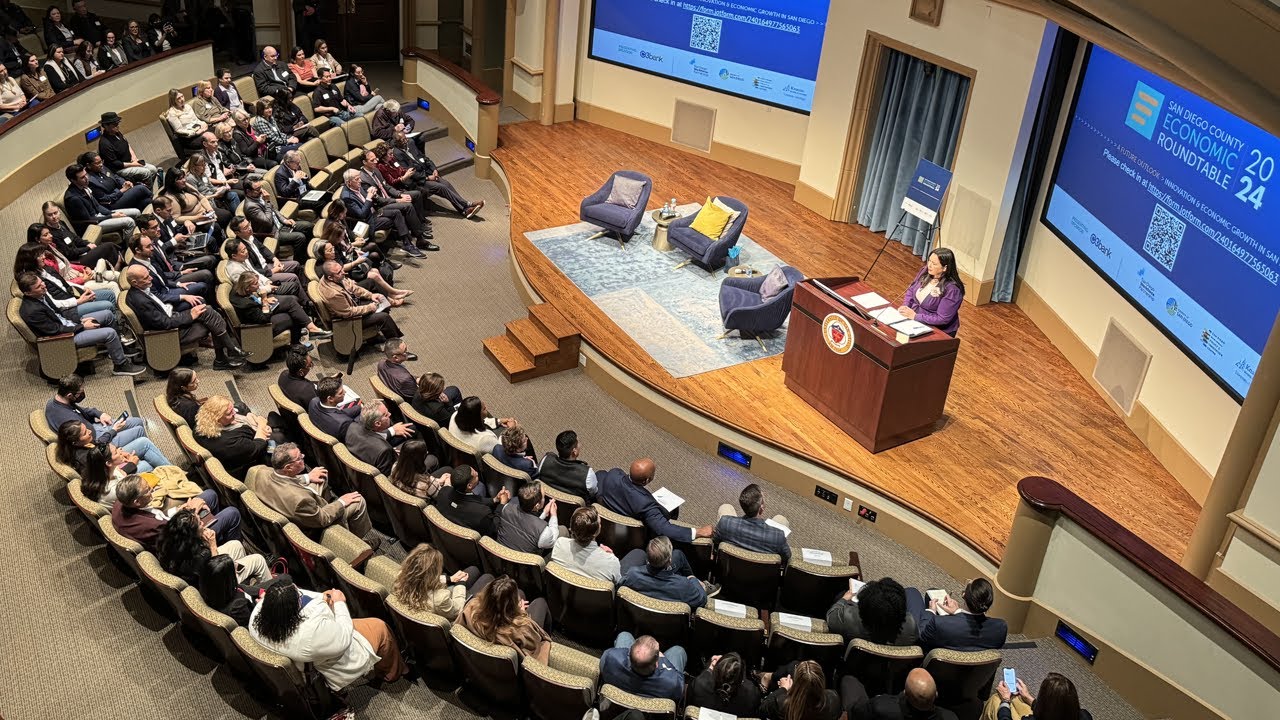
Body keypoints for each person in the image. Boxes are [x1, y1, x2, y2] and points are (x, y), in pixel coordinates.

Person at [250, 582, 407, 690]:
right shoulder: (311, 635)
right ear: (291, 612)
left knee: (325, 596)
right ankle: (392, 673)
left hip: (304, 656)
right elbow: (344, 636)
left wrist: (322, 598)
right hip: (329, 663)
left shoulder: (256, 616)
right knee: (380, 627)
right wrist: (339, 603)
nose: (301, 596)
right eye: (299, 598)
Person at [123, 264, 248, 370]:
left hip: (172, 317)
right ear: (134, 282)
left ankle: (226, 355)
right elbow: (164, 323)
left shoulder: (141, 290)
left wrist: (188, 313)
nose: (151, 278)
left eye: (149, 274)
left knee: (207, 311)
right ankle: (225, 355)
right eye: (146, 277)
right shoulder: (140, 301)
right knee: (211, 316)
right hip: (167, 334)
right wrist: (189, 314)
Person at [18, 273, 144, 375]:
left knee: (107, 314)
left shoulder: (41, 295)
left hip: (70, 324)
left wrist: (78, 321)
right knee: (109, 333)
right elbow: (55, 330)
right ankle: (120, 365)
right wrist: (82, 326)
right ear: (28, 293)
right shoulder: (32, 311)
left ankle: (118, 350)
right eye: (39, 286)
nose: (44, 286)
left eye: (42, 282)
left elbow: (58, 314)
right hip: (64, 338)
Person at [250, 443, 375, 541]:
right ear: (288, 467)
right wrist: (341, 502)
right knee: (358, 501)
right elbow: (322, 519)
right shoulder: (301, 501)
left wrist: (307, 477)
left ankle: (327, 503)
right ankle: (357, 542)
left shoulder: (261, 471)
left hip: (287, 500)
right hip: (312, 525)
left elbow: (283, 480)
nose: (303, 457)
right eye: (299, 458)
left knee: (320, 476)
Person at [111, 474, 241, 550]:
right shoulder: (152, 526)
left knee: (209, 494)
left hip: (171, 526)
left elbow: (161, 516)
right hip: (186, 542)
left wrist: (181, 508)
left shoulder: (119, 502)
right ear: (137, 501)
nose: (152, 488)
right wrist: (191, 511)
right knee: (232, 513)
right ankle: (228, 549)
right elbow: (183, 533)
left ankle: (218, 536)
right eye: (147, 490)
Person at [597, 458, 713, 542]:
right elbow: (664, 529)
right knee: (672, 510)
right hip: (631, 534)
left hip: (613, 511)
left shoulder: (613, 474)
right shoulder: (645, 504)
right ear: (646, 481)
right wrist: (698, 531)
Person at [156, 507, 270, 586]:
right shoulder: (201, 555)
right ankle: (270, 593)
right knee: (258, 560)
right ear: (192, 534)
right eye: (200, 523)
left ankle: (242, 584)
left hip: (196, 574)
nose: (202, 523)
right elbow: (216, 573)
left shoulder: (170, 541)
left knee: (236, 545)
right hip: (214, 585)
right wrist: (212, 544)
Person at [390, 129, 484, 218]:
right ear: (397, 142)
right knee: (441, 187)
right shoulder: (397, 153)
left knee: (446, 183)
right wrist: (427, 178)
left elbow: (424, 157)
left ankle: (464, 211)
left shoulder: (410, 143)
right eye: (402, 140)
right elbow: (410, 173)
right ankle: (468, 204)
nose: (405, 141)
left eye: (405, 138)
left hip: (427, 172)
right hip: (418, 180)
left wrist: (434, 169)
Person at [458, 575, 551, 661]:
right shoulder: (523, 630)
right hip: (512, 666)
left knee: (520, 592)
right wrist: (522, 613)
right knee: (540, 602)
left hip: (476, 655)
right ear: (512, 607)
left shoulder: (469, 610)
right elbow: (535, 642)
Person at [14, 238, 116, 314]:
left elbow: (64, 282)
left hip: (72, 293)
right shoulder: (34, 280)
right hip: (68, 308)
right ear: (30, 259)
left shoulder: (44, 268)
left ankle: (119, 323)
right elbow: (52, 304)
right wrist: (79, 301)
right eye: (39, 255)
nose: (43, 257)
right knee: (108, 304)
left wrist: (83, 288)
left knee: (109, 294)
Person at [46, 373, 150, 448]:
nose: (83, 394)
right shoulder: (67, 420)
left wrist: (100, 414)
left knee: (138, 421)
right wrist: (113, 430)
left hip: (94, 428)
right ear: (69, 395)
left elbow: (82, 411)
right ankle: (143, 450)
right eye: (80, 392)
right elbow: (93, 442)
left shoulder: (56, 401)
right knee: (139, 430)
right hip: (98, 438)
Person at [392, 544, 492, 622]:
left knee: (473, 570)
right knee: (487, 578)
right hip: (453, 614)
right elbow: (458, 610)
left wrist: (450, 579)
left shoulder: (401, 575)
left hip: (427, 602)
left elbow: (421, 579)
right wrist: (461, 583)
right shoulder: (440, 598)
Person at [340, 168, 424, 258]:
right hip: (367, 221)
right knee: (393, 219)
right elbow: (362, 214)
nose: (360, 181)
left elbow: (372, 200)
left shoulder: (356, 186)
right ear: (349, 182)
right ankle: (407, 242)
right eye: (357, 179)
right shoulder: (346, 197)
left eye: (359, 178)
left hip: (374, 211)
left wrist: (373, 194)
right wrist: (369, 197)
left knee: (397, 212)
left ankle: (407, 243)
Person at [359, 148, 435, 246]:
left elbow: (387, 186)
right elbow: (377, 199)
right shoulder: (363, 179)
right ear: (364, 162)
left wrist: (400, 194)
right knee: (407, 205)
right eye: (372, 160)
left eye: (376, 159)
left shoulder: (375, 170)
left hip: (388, 197)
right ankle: (420, 238)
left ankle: (419, 224)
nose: (376, 161)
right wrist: (398, 200)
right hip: (381, 206)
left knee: (416, 194)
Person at [316, 260, 406, 341]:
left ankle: (376, 335)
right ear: (330, 278)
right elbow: (348, 312)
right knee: (384, 317)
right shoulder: (333, 294)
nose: (343, 272)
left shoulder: (335, 277)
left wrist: (371, 295)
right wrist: (369, 307)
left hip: (350, 304)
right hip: (345, 322)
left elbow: (353, 288)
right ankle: (396, 347)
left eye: (342, 269)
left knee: (380, 300)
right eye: (339, 272)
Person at [231, 271, 327, 347]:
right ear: (247, 288)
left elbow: (253, 300)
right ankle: (296, 344)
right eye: (256, 284)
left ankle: (311, 329)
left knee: (292, 300)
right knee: (293, 315)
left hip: (258, 312)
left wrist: (263, 300)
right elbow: (264, 318)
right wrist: (264, 300)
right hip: (259, 327)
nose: (259, 286)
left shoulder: (239, 289)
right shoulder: (246, 305)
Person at [911, 578, 1008, 652]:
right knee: (932, 591)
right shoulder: (1000, 628)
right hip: (974, 674)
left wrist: (931, 611)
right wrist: (957, 612)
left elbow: (921, 637)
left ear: (964, 595)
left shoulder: (939, 623)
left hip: (934, 669)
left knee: (912, 592)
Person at [619, 536, 714, 608]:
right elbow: (702, 599)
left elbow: (620, 585)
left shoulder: (633, 575)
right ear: (669, 561)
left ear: (647, 559)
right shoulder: (683, 584)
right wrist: (693, 579)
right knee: (679, 555)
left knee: (678, 554)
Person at [317, 223, 407, 299]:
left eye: (332, 249)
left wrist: (354, 252)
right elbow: (340, 269)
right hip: (346, 277)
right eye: (341, 237)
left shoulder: (334, 245)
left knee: (375, 270)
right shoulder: (326, 261)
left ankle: (391, 293)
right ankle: (392, 294)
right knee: (374, 274)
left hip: (347, 271)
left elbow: (343, 259)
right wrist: (356, 262)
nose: (343, 238)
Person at [56, 418, 170, 476]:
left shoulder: (85, 444)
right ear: (75, 442)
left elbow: (100, 444)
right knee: (147, 464)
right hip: (116, 474)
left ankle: (174, 471)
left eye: (87, 429)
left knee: (143, 442)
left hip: (111, 462)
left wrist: (117, 452)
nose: (90, 432)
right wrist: (131, 464)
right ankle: (176, 476)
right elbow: (106, 479)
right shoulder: (85, 459)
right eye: (85, 433)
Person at [194, 395, 273, 478]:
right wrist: (261, 423)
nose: (234, 413)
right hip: (252, 459)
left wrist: (250, 417)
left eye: (232, 409)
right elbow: (257, 446)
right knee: (276, 436)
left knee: (240, 405)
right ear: (217, 419)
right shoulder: (230, 442)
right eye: (229, 413)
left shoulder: (200, 425)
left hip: (244, 447)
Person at [130, 225, 214, 303]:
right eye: (148, 246)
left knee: (208, 263)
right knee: (203, 285)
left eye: (151, 245)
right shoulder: (138, 270)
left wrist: (178, 284)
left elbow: (162, 278)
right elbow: (155, 296)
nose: (152, 248)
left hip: (169, 284)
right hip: (166, 295)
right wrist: (182, 296)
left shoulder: (146, 257)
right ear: (138, 250)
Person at [224, 223, 306, 302]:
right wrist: (269, 285)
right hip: (262, 290)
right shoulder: (236, 271)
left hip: (264, 278)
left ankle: (304, 291)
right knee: (293, 281)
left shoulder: (242, 256)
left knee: (296, 265)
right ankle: (307, 303)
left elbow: (261, 252)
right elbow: (249, 291)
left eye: (249, 225)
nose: (246, 252)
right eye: (245, 227)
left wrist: (274, 260)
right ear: (234, 256)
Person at [827, 577, 919, 646]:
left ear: (861, 610)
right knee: (912, 591)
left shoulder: (845, 618)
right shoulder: (911, 627)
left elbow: (831, 616)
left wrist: (844, 599)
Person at [599, 632, 686, 704]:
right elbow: (679, 691)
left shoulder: (609, 658)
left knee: (625, 635)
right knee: (678, 651)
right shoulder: (672, 683)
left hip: (619, 693)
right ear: (656, 664)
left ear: (629, 652)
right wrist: (663, 659)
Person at [713, 483, 791, 562]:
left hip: (729, 569)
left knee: (726, 507)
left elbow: (715, 543)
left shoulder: (725, 523)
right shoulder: (778, 536)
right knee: (781, 520)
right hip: (761, 572)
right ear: (761, 508)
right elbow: (787, 558)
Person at [900, 247, 964, 337]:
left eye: (934, 264)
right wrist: (906, 306)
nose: (929, 265)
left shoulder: (952, 290)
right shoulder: (925, 271)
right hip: (915, 321)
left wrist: (916, 317)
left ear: (945, 268)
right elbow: (911, 289)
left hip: (938, 331)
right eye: (929, 261)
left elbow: (942, 318)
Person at [849, 668, 958, 720]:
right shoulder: (951, 717)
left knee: (849, 680)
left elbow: (856, 712)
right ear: (936, 694)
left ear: (905, 693)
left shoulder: (881, 707)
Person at [243, 177, 313, 257]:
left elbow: (274, 209)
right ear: (248, 191)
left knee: (308, 226)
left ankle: (307, 252)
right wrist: (267, 202)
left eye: (261, 187)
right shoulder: (250, 206)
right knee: (300, 237)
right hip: (273, 233)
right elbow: (267, 221)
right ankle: (300, 262)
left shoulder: (258, 195)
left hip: (281, 224)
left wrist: (284, 220)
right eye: (257, 189)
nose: (261, 190)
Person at [63, 163, 138, 237]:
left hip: (100, 215)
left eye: (86, 174)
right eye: (82, 177)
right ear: (73, 180)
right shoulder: (73, 199)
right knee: (129, 222)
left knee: (136, 212)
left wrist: (111, 213)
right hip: (93, 224)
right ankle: (132, 247)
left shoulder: (84, 186)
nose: (87, 178)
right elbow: (89, 219)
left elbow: (98, 206)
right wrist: (111, 216)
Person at [551, 506, 621, 583]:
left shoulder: (559, 544)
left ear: (572, 527)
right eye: (600, 523)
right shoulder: (611, 563)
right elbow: (617, 583)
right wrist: (610, 556)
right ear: (596, 532)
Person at [200, 554, 272, 628]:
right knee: (283, 580)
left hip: (254, 598)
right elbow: (254, 624)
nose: (237, 566)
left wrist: (260, 591)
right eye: (233, 568)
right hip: (261, 612)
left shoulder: (214, 590)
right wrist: (261, 604)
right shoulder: (237, 607)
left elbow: (240, 588)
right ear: (227, 580)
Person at [435, 465, 510, 536]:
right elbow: (494, 528)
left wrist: (495, 499)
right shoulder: (482, 513)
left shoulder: (443, 492)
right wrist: (502, 504)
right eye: (476, 475)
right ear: (469, 485)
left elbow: (472, 498)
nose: (477, 473)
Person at [345, 401, 417, 475]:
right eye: (386, 415)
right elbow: (388, 477)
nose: (390, 414)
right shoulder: (384, 450)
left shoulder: (352, 427)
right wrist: (395, 456)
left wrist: (392, 430)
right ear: (377, 423)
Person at [986, 671, 1091, 720]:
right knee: (1017, 699)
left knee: (996, 700)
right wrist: (1028, 697)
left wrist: (1005, 700)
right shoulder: (1085, 716)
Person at [759, 660, 843, 720]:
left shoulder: (781, 703)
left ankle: (767, 677)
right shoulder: (834, 699)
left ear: (796, 683)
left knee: (793, 664)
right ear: (821, 681)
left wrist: (783, 689)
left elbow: (761, 709)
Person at [689, 652, 762, 717]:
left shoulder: (699, 684)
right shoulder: (752, 695)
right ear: (740, 679)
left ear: (715, 673)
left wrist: (710, 668)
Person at [98, 112, 160, 187]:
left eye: (117, 123)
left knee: (153, 169)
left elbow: (127, 144)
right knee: (146, 172)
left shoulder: (116, 133)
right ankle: (148, 194)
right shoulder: (105, 143)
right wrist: (133, 164)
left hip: (130, 162)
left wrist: (134, 158)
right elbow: (115, 163)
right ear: (105, 126)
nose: (117, 126)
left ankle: (146, 188)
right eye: (114, 124)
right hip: (119, 169)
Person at [497, 481, 560, 554]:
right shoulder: (544, 532)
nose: (544, 499)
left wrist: (544, 513)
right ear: (537, 505)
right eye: (544, 497)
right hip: (523, 563)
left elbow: (528, 524)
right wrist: (553, 515)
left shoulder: (506, 508)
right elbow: (552, 540)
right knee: (563, 530)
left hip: (500, 556)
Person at [80, 151, 152, 213]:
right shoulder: (90, 181)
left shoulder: (102, 168)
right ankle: (159, 201)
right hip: (112, 204)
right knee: (140, 189)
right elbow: (105, 200)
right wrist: (122, 190)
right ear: (88, 166)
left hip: (121, 194)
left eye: (101, 161)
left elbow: (116, 177)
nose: (101, 164)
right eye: (97, 163)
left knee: (146, 201)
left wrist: (125, 182)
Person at [537, 430, 596, 502]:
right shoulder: (587, 474)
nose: (580, 445)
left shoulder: (546, 461)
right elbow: (593, 493)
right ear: (574, 451)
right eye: (578, 443)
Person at [75, 444, 130, 510]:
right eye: (116, 452)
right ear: (109, 463)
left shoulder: (94, 474)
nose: (120, 451)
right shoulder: (114, 491)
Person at [306, 375, 361, 440]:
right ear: (330, 399)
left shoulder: (313, 402)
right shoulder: (343, 423)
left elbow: (339, 414)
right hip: (340, 432)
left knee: (358, 408)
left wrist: (359, 408)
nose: (345, 392)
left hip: (327, 422)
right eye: (340, 393)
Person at [251, 96, 301, 161]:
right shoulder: (260, 121)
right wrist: (287, 141)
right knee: (299, 147)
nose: (270, 110)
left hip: (281, 143)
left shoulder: (270, 117)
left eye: (270, 107)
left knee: (300, 144)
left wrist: (289, 138)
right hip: (274, 149)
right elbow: (272, 138)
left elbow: (278, 133)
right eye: (266, 108)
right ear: (261, 110)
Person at [165, 88, 207, 153]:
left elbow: (196, 120)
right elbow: (179, 130)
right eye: (178, 98)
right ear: (173, 101)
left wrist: (204, 124)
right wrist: (195, 133)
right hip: (188, 139)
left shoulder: (187, 106)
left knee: (216, 131)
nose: (182, 99)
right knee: (208, 140)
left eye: (182, 96)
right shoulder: (172, 113)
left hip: (198, 130)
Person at [278, 343, 319, 408]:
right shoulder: (306, 390)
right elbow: (317, 409)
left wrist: (326, 382)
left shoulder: (283, 375)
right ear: (301, 372)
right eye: (310, 365)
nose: (311, 366)